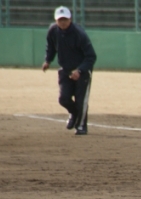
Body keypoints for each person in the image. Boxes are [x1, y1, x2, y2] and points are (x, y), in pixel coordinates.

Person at [42, 6, 97, 136]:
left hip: (82, 71)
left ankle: (81, 126)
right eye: (60, 20)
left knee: (80, 100)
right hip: (65, 69)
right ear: (56, 20)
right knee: (64, 99)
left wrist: (80, 70)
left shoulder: (79, 34)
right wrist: (48, 60)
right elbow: (51, 46)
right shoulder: (53, 31)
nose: (62, 22)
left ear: (70, 19)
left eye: (65, 19)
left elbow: (91, 56)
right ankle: (74, 113)